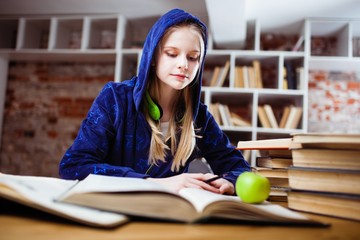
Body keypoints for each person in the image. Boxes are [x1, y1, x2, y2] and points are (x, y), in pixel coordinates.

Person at [59, 8, 250, 195]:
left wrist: (231, 182)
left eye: (193, 57)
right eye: (172, 54)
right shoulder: (115, 98)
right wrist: (155, 184)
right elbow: (73, 166)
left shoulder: (199, 116)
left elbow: (239, 168)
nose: (184, 64)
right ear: (152, 57)